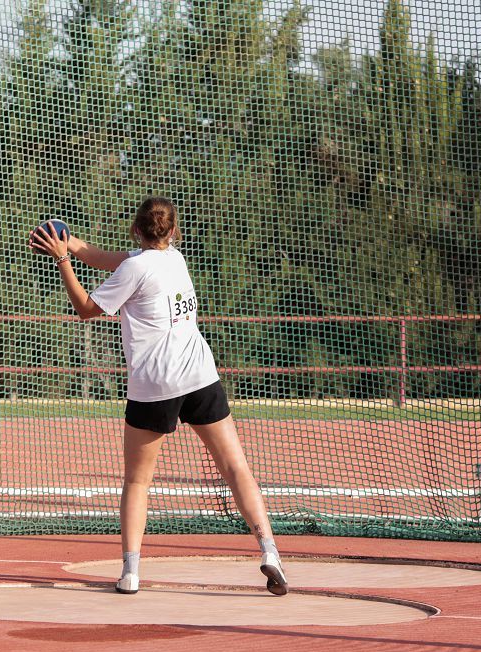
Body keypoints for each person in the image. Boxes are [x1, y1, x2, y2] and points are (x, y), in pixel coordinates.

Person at [28, 197, 287, 596]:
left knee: (137, 480)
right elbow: (111, 258)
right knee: (236, 467)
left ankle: (131, 571)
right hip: (201, 377)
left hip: (155, 387)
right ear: (172, 232)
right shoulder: (175, 258)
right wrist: (73, 244)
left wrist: (63, 259)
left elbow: (85, 308)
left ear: (136, 230)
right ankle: (270, 552)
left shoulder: (135, 267)